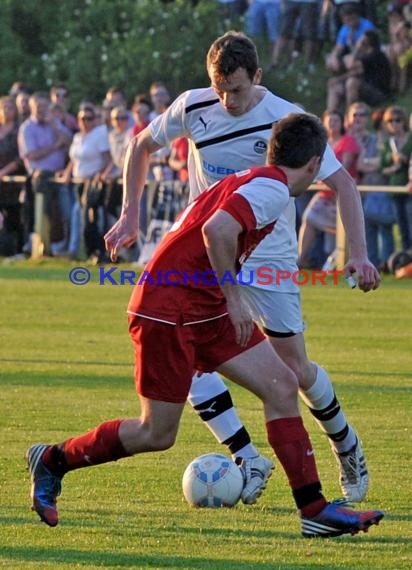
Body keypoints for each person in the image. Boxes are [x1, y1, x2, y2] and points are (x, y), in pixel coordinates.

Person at [27, 113, 384, 538]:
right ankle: (52, 460)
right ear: (313, 164)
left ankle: (314, 509)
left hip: (202, 304)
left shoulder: (255, 179)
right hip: (168, 308)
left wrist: (224, 298)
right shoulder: (271, 189)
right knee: (156, 433)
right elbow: (217, 230)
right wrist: (234, 299)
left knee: (282, 385)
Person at [105, 31, 380, 505]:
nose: (227, 100)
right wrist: (130, 211)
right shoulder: (193, 106)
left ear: (257, 76)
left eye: (236, 88)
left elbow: (344, 185)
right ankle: (247, 457)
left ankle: (345, 442)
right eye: (219, 89)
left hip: (269, 258)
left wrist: (358, 252)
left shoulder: (286, 119)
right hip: (207, 255)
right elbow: (140, 146)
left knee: (293, 369)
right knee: (184, 353)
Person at [298, 109, 360, 267]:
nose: (333, 124)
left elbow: (342, 169)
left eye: (336, 121)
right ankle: (301, 258)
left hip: (339, 193)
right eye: (330, 120)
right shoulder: (322, 143)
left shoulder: (348, 141)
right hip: (324, 193)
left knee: (340, 234)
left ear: (342, 123)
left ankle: (339, 265)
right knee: (309, 219)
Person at [18, 91, 72, 257]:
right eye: (38, 106)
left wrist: (55, 127)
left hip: (60, 178)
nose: (42, 110)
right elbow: (32, 154)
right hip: (39, 179)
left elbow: (69, 142)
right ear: (32, 108)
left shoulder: (54, 123)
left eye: (44, 106)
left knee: (65, 214)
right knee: (42, 215)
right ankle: (41, 247)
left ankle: (63, 248)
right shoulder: (27, 128)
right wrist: (55, 146)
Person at [326, 30, 392, 112]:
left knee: (352, 82)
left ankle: (349, 114)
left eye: (361, 40)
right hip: (366, 89)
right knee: (335, 87)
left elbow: (352, 67)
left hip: (378, 92)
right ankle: (330, 114)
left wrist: (357, 47)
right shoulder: (366, 55)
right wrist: (336, 81)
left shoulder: (375, 55)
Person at [380, 105, 412, 252]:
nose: (394, 123)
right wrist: (393, 166)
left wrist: (405, 160)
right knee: (402, 228)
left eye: (397, 120)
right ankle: (407, 259)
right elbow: (382, 168)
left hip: (409, 189)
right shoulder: (388, 143)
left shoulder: (410, 138)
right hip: (395, 190)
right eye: (390, 121)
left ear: (404, 121)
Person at [325, 3, 374, 74]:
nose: (350, 23)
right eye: (347, 20)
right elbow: (339, 47)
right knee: (331, 61)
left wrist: (353, 45)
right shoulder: (345, 28)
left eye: (352, 19)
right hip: (354, 55)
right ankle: (340, 76)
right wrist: (334, 56)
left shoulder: (367, 26)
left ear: (357, 16)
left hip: (367, 55)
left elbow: (369, 48)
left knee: (348, 60)